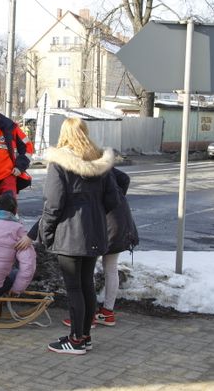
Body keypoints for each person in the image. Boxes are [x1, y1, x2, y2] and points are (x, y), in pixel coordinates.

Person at [15, 117, 120, 355]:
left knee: (74, 288)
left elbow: (53, 204)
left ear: (64, 134)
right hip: (95, 233)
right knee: (87, 286)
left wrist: (47, 233)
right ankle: (85, 337)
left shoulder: (60, 163)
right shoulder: (100, 163)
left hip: (71, 235)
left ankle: (75, 340)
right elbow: (113, 200)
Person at [61, 167, 139, 328]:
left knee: (87, 269)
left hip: (105, 223)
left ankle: (87, 318)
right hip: (121, 220)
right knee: (110, 267)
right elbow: (124, 178)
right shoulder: (102, 165)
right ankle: (107, 312)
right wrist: (117, 198)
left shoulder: (82, 169)